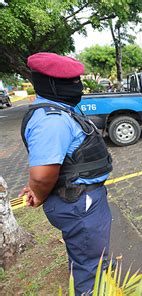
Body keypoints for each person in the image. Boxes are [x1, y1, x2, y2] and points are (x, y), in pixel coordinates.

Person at [19, 53, 113, 294]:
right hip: (78, 203)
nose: (77, 85)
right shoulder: (52, 120)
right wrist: (37, 193)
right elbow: (42, 175)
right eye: (69, 81)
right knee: (90, 269)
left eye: (76, 79)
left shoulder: (60, 110)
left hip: (80, 200)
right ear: (49, 83)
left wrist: (34, 188)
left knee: (86, 253)